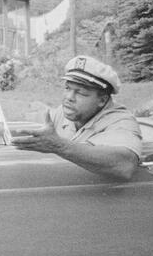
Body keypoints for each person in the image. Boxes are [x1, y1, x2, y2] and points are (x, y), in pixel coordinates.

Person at [11, 55, 142, 180]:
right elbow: (34, 127)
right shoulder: (65, 112)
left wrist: (59, 146)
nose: (69, 97)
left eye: (81, 92)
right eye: (67, 88)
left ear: (102, 100)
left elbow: (125, 165)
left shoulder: (120, 121)